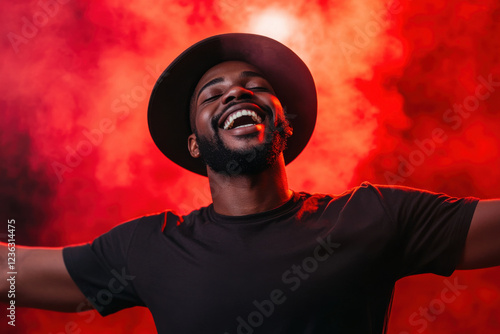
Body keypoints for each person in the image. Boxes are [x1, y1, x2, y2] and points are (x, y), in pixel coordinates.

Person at [1, 33, 499, 334]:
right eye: (210, 94)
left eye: (256, 85)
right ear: (194, 144)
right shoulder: (147, 248)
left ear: (285, 123)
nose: (237, 91)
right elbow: (10, 271)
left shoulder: (371, 215)